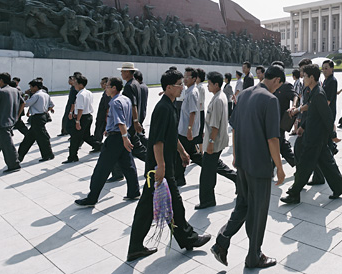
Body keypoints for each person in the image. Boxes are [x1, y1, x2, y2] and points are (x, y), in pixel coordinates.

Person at [127, 69, 210, 262]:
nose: (182, 87)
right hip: (158, 168)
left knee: (150, 207)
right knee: (174, 203)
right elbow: (157, 141)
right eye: (179, 84)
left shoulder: (172, 105)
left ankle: (137, 247)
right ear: (169, 87)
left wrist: (182, 152)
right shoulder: (163, 108)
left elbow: (171, 135)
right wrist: (161, 167)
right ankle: (188, 238)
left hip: (163, 165)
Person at [210, 65, 286, 269]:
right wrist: (279, 167)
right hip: (259, 164)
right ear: (277, 80)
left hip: (243, 162)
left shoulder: (243, 94)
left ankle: (222, 241)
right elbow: (272, 139)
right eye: (279, 86)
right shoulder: (270, 100)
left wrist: (235, 155)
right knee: (259, 210)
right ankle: (254, 256)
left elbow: (234, 128)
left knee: (243, 205)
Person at [280, 64, 342, 204]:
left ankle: (294, 193)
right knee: (328, 163)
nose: (303, 78)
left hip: (315, 137)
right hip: (313, 134)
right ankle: (339, 188)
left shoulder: (318, 94)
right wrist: (303, 127)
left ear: (311, 77)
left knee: (304, 165)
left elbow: (327, 116)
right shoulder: (313, 91)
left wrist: (333, 135)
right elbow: (312, 114)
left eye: (304, 76)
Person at [76, 77, 140, 207]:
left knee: (102, 168)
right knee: (128, 166)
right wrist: (110, 130)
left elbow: (120, 121)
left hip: (117, 138)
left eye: (107, 86)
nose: (106, 88)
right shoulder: (125, 99)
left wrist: (124, 137)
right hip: (121, 135)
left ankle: (92, 198)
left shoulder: (115, 102)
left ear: (114, 88)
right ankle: (134, 192)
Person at [197, 71, 231, 209]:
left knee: (207, 174)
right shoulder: (219, 96)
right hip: (215, 140)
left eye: (209, 84)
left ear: (216, 85)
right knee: (215, 167)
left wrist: (210, 143)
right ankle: (240, 181)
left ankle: (207, 200)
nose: (207, 86)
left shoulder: (218, 100)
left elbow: (215, 125)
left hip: (215, 142)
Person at [64, 75, 101, 163]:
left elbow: (80, 109)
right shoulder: (88, 92)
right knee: (85, 136)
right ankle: (99, 146)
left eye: (76, 83)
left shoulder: (80, 94)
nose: (74, 85)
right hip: (88, 116)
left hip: (82, 118)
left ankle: (72, 156)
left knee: (75, 138)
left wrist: (77, 121)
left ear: (81, 85)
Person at [17, 79, 55, 162]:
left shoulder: (36, 95)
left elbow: (26, 104)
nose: (30, 88)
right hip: (42, 116)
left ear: (36, 87)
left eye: (31, 86)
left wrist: (25, 97)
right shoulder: (45, 94)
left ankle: (48, 154)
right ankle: (19, 156)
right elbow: (51, 105)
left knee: (41, 138)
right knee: (31, 138)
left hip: (37, 118)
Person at [93, 77, 111, 142]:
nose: (101, 84)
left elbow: (108, 107)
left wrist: (107, 118)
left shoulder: (107, 94)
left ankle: (97, 144)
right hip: (101, 115)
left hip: (103, 116)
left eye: (102, 83)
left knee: (99, 130)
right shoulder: (105, 93)